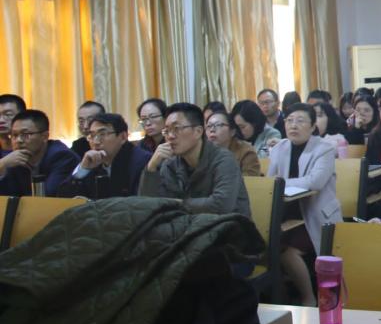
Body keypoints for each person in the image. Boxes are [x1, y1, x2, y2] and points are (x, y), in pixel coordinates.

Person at [267, 103, 342, 307]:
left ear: (312, 126)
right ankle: (280, 299)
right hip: (287, 214)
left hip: (316, 215)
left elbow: (315, 182)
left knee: (286, 250)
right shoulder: (279, 148)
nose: (293, 125)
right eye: (289, 120)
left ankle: (308, 298)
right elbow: (269, 183)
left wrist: (282, 183)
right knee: (266, 244)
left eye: (300, 121)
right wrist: (279, 184)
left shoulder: (324, 148)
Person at [139, 103, 251, 216]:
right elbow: (147, 206)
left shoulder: (224, 160)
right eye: (167, 131)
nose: (170, 136)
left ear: (198, 131)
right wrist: (151, 167)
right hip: (187, 224)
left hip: (228, 224)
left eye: (176, 128)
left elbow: (221, 205)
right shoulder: (170, 164)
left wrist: (178, 204)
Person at [58, 113, 151, 199]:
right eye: (92, 135)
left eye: (102, 134)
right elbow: (64, 198)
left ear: (123, 137)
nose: (96, 142)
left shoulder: (142, 161)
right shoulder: (92, 162)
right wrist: (83, 169)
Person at [0, 109, 79, 197]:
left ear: (45, 136)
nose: (18, 140)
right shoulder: (14, 160)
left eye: (25, 134)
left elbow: (46, 197)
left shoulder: (62, 157)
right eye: (14, 135)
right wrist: (2, 165)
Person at [205, 111, 261, 176]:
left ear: (232, 131)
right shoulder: (202, 151)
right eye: (209, 126)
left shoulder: (246, 152)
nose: (212, 130)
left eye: (218, 125)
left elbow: (250, 179)